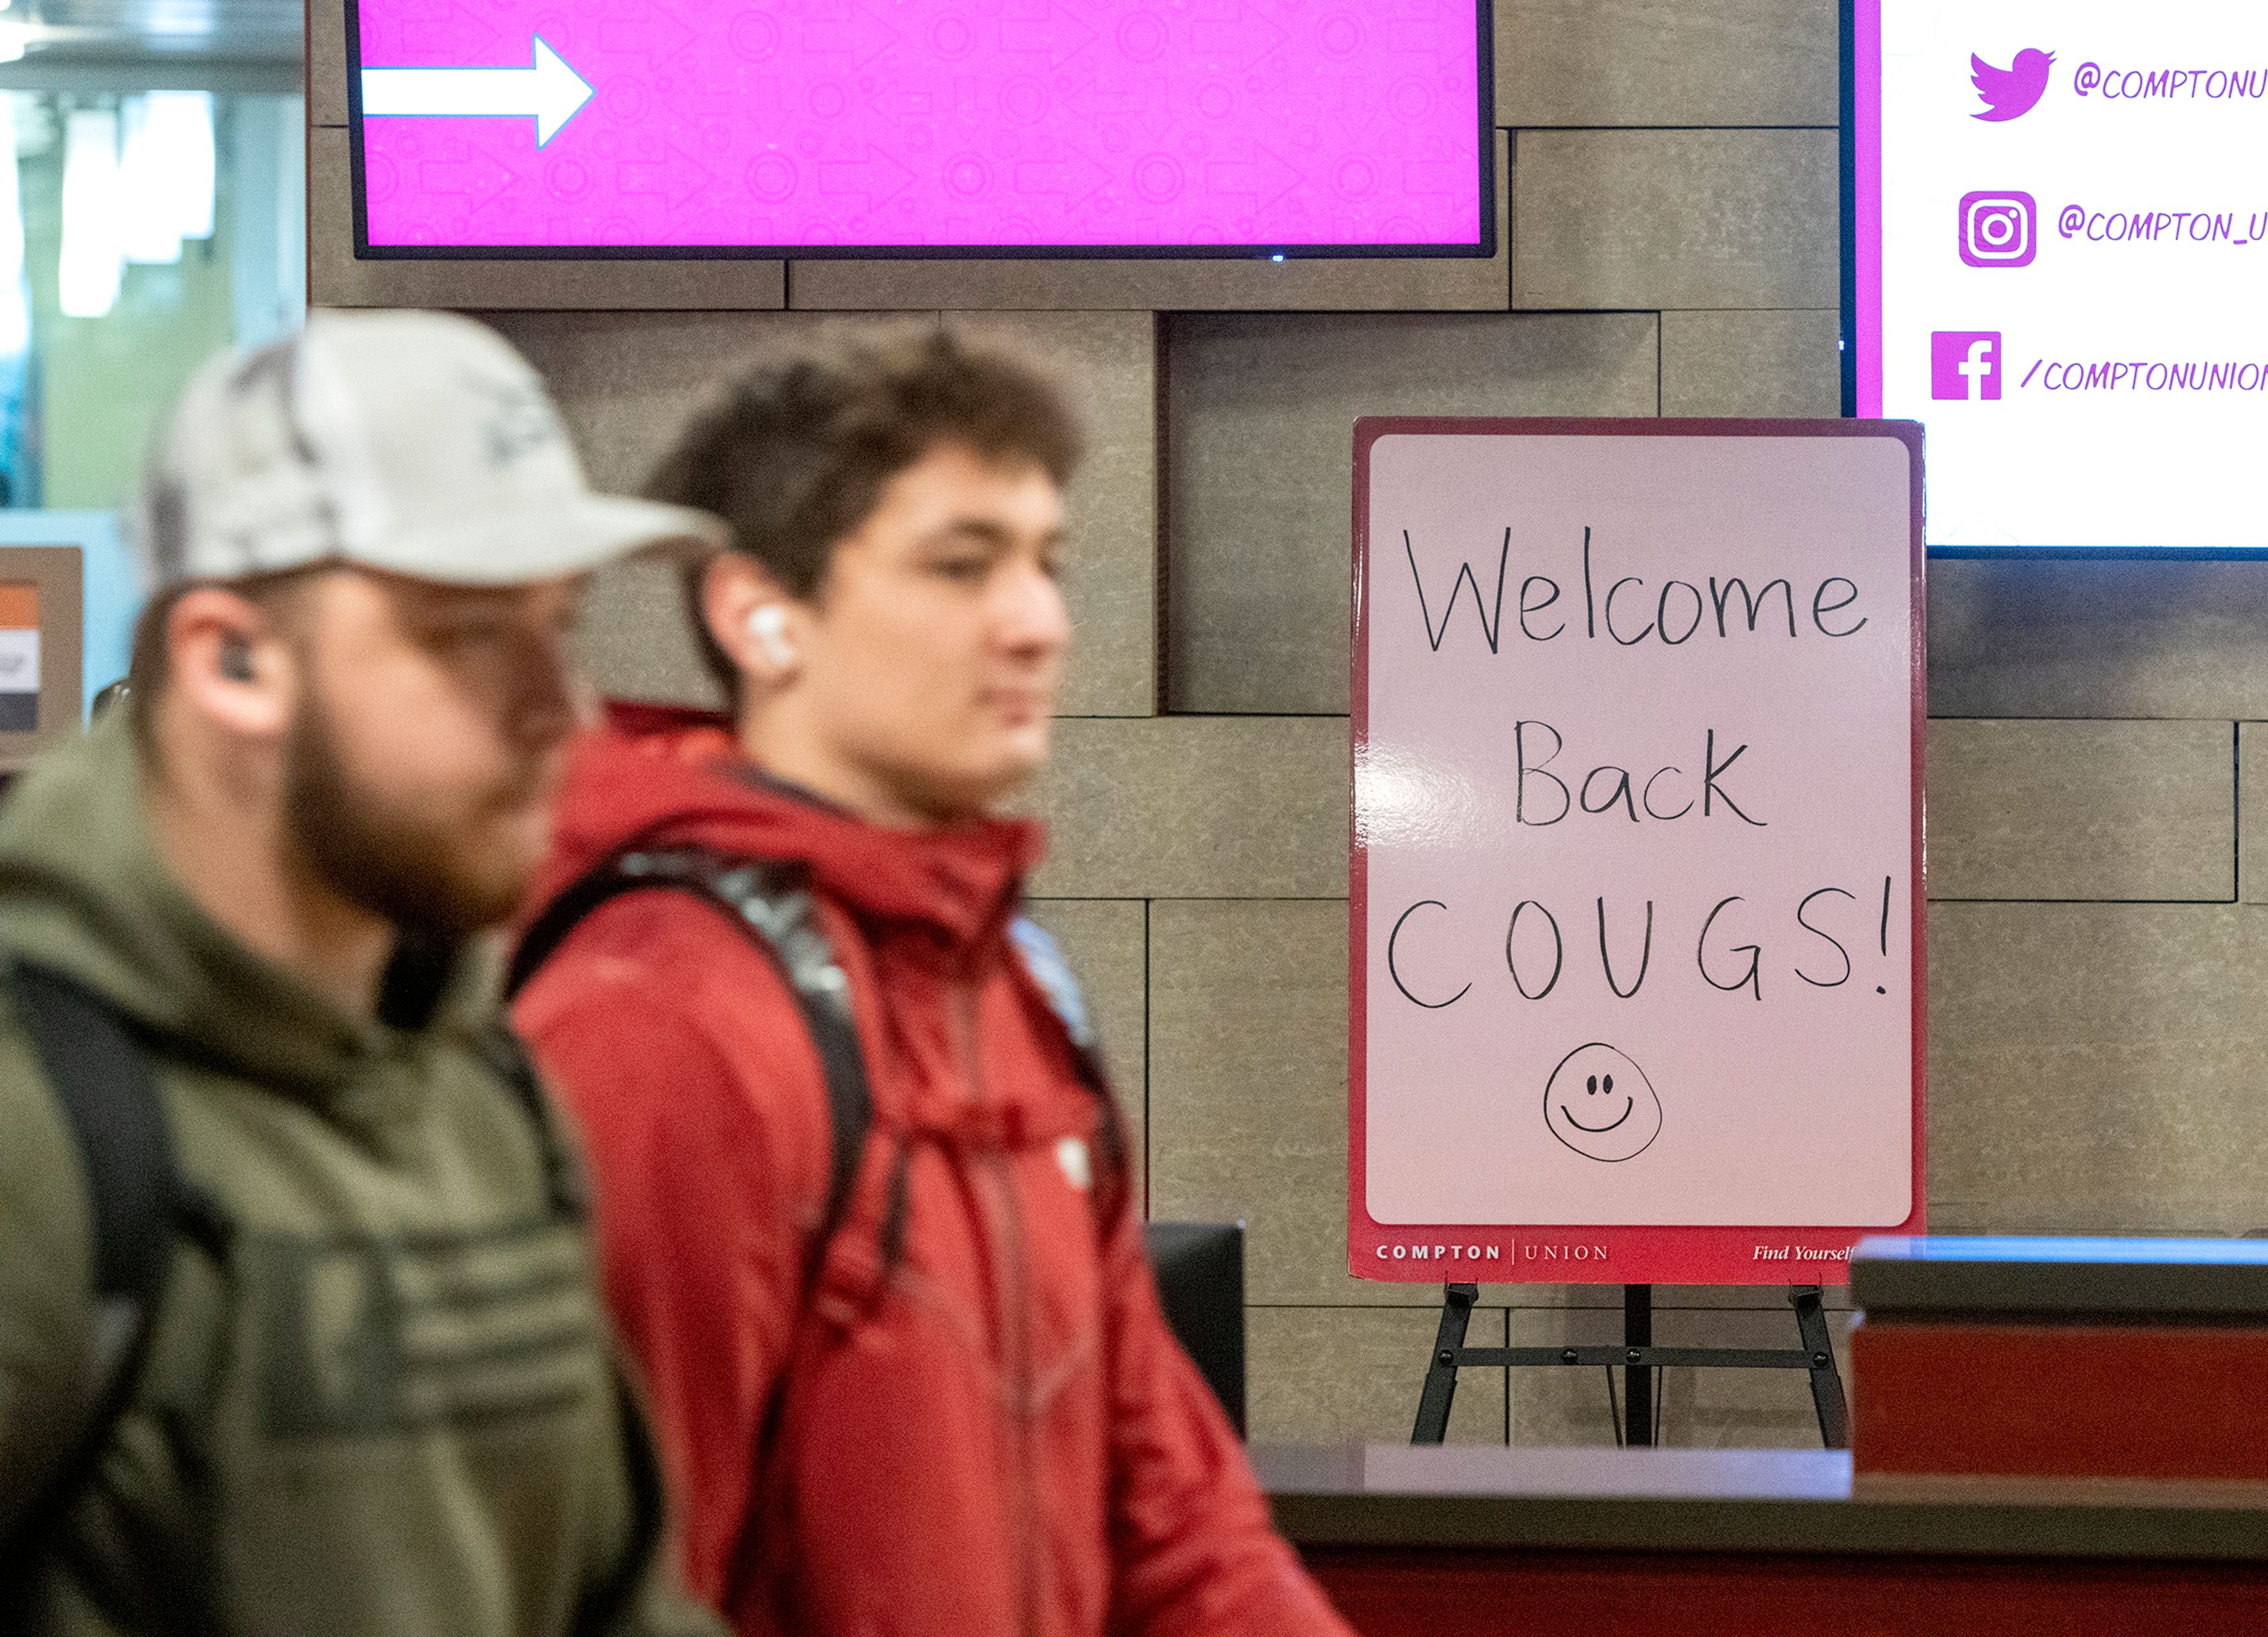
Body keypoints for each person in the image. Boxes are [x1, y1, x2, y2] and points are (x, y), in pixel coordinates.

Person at [509, 332, 1354, 1637]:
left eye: (1046, 564)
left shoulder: (1010, 980)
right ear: (757, 613)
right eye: (963, 565)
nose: (1037, 622)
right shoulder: (657, 1022)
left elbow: (1173, 1510)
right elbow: (612, 1589)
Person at [0, 311, 731, 1637]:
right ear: (231, 660)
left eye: (559, 628)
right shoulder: (37, 1132)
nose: (561, 712)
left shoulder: (483, 1093)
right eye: (464, 637)